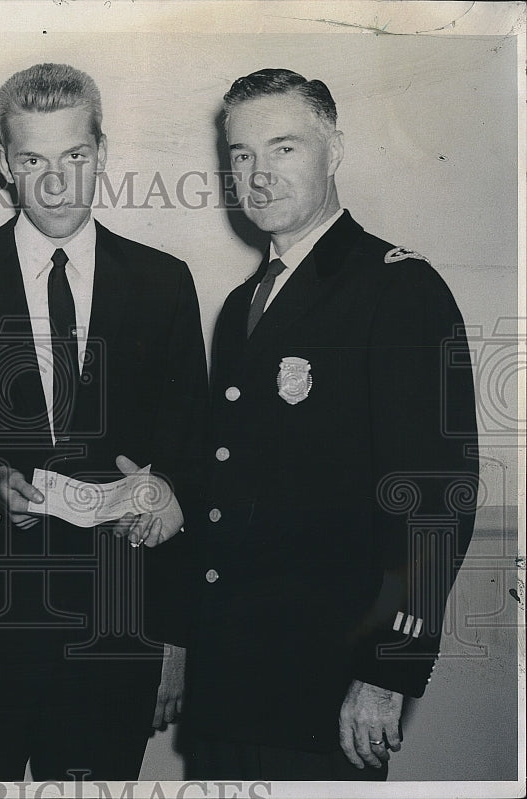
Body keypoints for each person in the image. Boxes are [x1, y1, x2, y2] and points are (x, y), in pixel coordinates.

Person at [0, 63, 208, 781]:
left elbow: (191, 466)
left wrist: (177, 639)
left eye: (75, 157)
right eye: (33, 159)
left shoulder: (164, 283)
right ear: (4, 164)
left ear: (103, 151)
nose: (56, 183)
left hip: (116, 640)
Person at [180, 68, 479, 781]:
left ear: (334, 149)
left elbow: (436, 497)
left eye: (283, 148)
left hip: (328, 686)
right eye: (241, 154)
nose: (257, 174)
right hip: (230, 683)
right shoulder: (241, 306)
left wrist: (389, 671)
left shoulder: (397, 287)